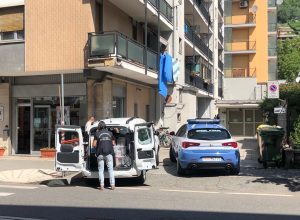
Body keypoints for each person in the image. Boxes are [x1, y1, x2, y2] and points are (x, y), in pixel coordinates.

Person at [93, 121, 115, 191]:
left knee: (101, 170)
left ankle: (102, 186)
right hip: (109, 154)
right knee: (110, 170)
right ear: (105, 126)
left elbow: (94, 145)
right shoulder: (110, 133)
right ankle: (112, 185)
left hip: (100, 154)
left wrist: (99, 145)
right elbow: (113, 143)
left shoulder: (97, 134)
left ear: (99, 127)